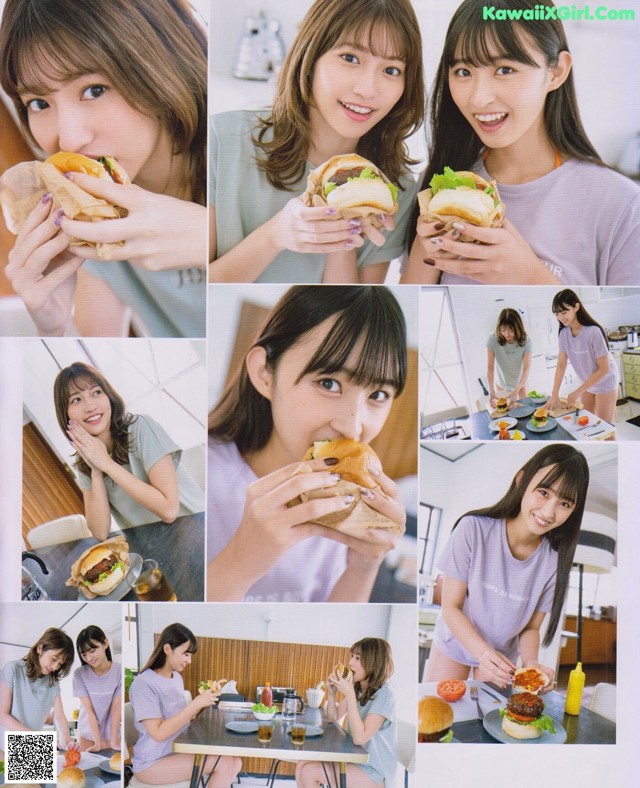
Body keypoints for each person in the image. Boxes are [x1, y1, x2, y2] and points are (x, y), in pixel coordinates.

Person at [0, 0, 207, 337]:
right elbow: (101, 349)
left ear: (163, 66)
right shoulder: (89, 216)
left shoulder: (241, 164)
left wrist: (209, 240)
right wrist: (53, 325)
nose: (68, 139)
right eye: (38, 103)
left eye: (95, 90)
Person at [402, 0, 640, 285]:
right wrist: (425, 253)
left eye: (504, 69)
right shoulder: (440, 190)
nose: (478, 98)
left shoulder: (623, 206)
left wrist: (529, 275)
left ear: (556, 72)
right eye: (464, 71)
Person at [207, 286, 407, 602]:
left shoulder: (354, 502)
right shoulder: (196, 474)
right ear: (264, 373)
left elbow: (337, 630)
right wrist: (241, 560)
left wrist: (365, 566)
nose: (352, 427)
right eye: (329, 383)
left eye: (378, 395)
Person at [209, 0, 425, 284]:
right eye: (350, 58)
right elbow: (201, 301)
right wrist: (276, 234)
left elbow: (346, 311)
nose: (367, 90)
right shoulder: (222, 140)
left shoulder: (395, 188)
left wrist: (344, 234)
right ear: (310, 58)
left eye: (392, 70)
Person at [427, 445, 589, 689]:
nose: (549, 512)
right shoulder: (472, 529)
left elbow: (532, 627)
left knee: (487, 723)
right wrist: (483, 654)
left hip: (504, 661)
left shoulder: (555, 563)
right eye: (544, 492)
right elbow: (451, 607)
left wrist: (532, 661)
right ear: (521, 480)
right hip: (455, 643)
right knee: (433, 715)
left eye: (565, 503)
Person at [53, 361, 204, 540]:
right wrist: (96, 471)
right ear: (66, 414)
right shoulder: (86, 458)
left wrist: (106, 464)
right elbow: (100, 532)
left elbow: (169, 510)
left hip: (197, 532)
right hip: (155, 547)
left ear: (108, 396)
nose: (90, 406)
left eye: (96, 393)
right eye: (76, 399)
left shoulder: (141, 427)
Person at [129, 623, 241, 786]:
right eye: (186, 654)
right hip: (152, 763)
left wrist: (202, 701)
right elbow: (158, 734)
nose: (189, 660)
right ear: (167, 649)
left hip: (177, 751)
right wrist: (195, 704)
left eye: (190, 655)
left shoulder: (176, 678)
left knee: (236, 761)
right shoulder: (143, 684)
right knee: (225, 763)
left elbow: (182, 720)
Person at [296, 638, 396, 788]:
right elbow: (333, 718)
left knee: (309, 772)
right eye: (351, 656)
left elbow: (360, 738)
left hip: (375, 772)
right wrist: (331, 694)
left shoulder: (385, 694)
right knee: (301, 765)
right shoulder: (359, 689)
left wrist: (349, 694)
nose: (350, 662)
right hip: (354, 761)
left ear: (373, 663)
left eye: (357, 658)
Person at [0, 627, 77, 759]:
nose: (55, 667)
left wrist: (68, 739)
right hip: (4, 747)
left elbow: (60, 716)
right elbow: (2, 715)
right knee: (6, 779)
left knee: (44, 780)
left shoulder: (53, 682)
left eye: (60, 663)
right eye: (54, 659)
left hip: (32, 747)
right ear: (40, 648)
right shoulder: (12, 669)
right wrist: (36, 738)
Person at [546, 289, 619, 424]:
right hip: (587, 383)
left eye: (564, 312)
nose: (561, 317)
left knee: (605, 428)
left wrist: (578, 391)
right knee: (587, 424)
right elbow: (561, 365)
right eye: (557, 314)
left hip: (605, 381)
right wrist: (554, 394)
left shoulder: (593, 332)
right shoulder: (564, 334)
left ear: (576, 307)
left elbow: (604, 368)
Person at [73, 626, 121, 753]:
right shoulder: (79, 674)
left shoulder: (119, 671)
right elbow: (89, 710)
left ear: (105, 644)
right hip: (87, 733)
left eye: (92, 650)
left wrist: (115, 742)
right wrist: (97, 743)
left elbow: (116, 709)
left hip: (112, 734)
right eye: (84, 654)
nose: (89, 658)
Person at [486, 308, 532, 408]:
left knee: (526, 410)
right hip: (501, 384)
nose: (506, 334)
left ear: (518, 328)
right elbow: (490, 368)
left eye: (511, 330)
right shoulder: (493, 339)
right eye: (503, 330)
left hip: (520, 384)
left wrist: (517, 390)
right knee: (505, 414)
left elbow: (526, 369)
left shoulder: (526, 341)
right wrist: (491, 392)